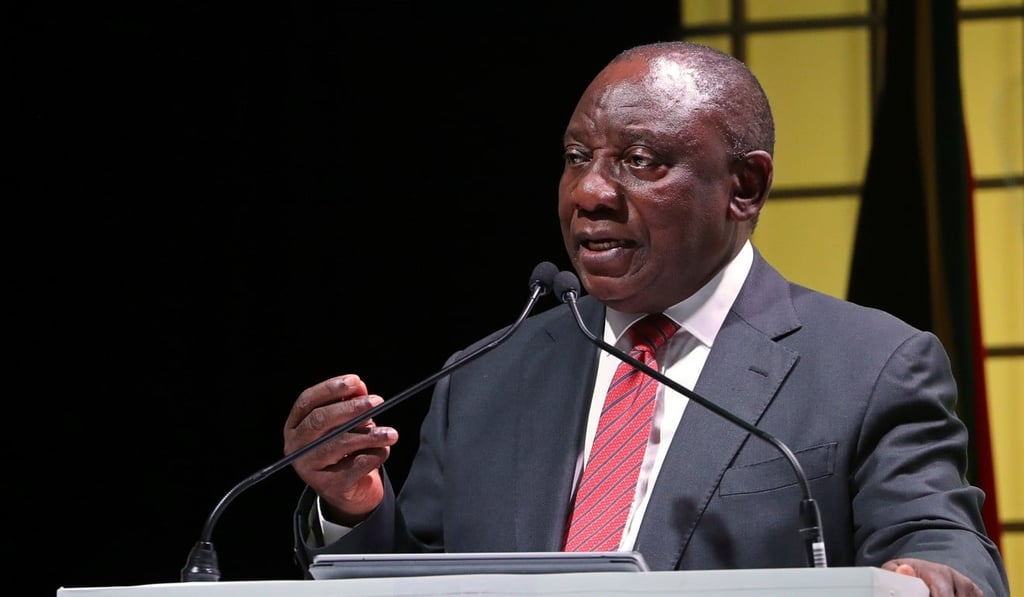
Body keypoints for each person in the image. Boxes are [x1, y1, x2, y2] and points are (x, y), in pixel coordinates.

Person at [282, 41, 1009, 596]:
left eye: (639, 160)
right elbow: (418, 581)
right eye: (576, 157)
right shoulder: (488, 376)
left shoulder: (868, 365)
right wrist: (354, 506)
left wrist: (931, 575)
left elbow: (940, 535)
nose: (591, 192)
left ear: (744, 186)